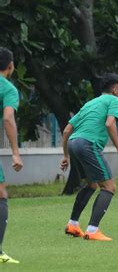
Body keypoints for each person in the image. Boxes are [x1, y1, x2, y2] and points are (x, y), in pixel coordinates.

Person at [61, 73, 118, 241]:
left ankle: (73, 224)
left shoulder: (90, 103)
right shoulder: (115, 101)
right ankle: (92, 230)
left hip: (74, 143)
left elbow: (67, 130)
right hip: (88, 145)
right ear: (115, 89)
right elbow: (109, 123)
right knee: (109, 187)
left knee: (91, 185)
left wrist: (66, 156)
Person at [0, 47, 24, 264]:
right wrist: (15, 152)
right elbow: (8, 118)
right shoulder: (7, 89)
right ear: (11, 66)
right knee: (0, 194)